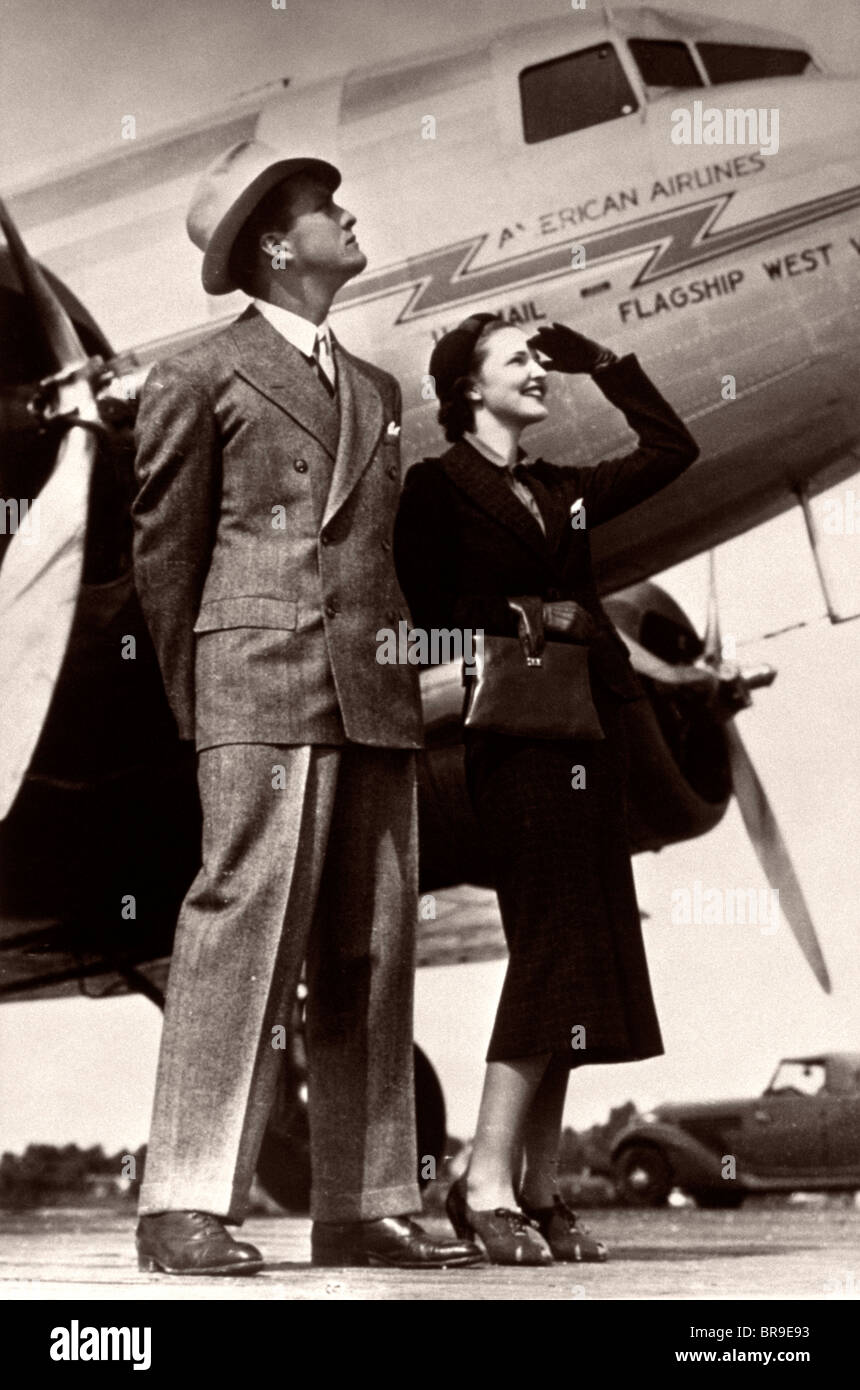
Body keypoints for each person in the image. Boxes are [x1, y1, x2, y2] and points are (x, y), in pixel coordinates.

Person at [131, 140, 482, 1274]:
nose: (348, 216)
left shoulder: (376, 391)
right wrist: (210, 707)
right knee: (240, 936)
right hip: (258, 689)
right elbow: (165, 557)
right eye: (328, 209)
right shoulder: (198, 376)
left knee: (372, 951)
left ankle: (363, 1199)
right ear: (278, 247)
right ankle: (183, 1201)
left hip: (371, 695)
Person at [393, 314, 701, 1264]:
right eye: (516, 361)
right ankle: (480, 1183)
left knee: (582, 954)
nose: (536, 372)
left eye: (538, 359)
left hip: (591, 732)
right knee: (551, 951)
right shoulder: (435, 487)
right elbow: (426, 605)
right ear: (467, 390)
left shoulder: (563, 489)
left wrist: (600, 360)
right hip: (518, 741)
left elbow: (671, 447)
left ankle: (535, 1185)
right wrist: (535, 610)